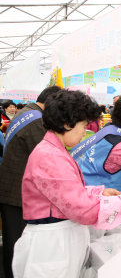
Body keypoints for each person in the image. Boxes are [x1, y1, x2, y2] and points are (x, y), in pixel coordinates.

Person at [11, 89, 121, 278]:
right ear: (67, 123)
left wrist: (101, 193)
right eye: (83, 125)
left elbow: (69, 191)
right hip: (52, 245)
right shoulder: (49, 156)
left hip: (59, 241)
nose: (84, 132)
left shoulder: (55, 150)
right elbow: (81, 208)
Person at [0, 86, 61, 278]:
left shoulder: (26, 112)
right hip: (17, 192)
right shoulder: (36, 120)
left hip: (10, 186)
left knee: (12, 242)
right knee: (18, 244)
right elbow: (47, 155)